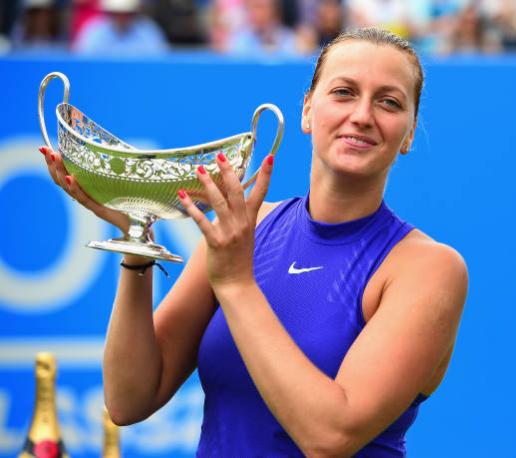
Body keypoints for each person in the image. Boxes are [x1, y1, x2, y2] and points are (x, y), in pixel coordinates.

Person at [39, 27, 468, 456]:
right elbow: (129, 399)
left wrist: (236, 284)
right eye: (343, 92)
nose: (362, 115)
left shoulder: (427, 269)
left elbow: (331, 436)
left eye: (389, 102)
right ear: (306, 111)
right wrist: (137, 233)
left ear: (409, 133)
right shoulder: (247, 227)